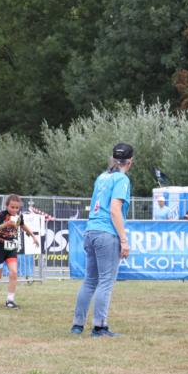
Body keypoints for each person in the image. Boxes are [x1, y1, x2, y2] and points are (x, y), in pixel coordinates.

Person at [71, 143, 133, 338]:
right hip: (107, 233)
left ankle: (77, 324)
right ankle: (99, 327)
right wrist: (124, 240)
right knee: (106, 281)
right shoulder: (121, 179)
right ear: (130, 162)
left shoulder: (102, 177)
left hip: (91, 231)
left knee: (90, 281)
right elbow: (115, 210)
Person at [0, 194, 40, 308]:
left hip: (11, 248)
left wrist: (33, 236)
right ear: (7, 206)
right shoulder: (1, 215)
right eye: (12, 207)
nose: (14, 210)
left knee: (14, 272)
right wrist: (6, 224)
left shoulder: (19, 216)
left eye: (17, 208)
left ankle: (10, 301)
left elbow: (23, 225)